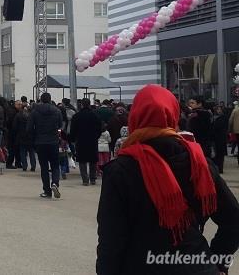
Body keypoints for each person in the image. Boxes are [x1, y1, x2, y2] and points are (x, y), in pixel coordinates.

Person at [96, 84, 239, 275]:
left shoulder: (121, 170)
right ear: (174, 116)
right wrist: (217, 260)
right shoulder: (199, 163)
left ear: (135, 117)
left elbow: (111, 239)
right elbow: (233, 219)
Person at [29, 92, 62, 199]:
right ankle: (55, 183)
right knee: (55, 165)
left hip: (40, 142)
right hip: (53, 142)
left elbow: (29, 128)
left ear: (41, 100)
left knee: (44, 168)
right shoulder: (57, 111)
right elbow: (61, 125)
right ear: (50, 99)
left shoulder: (35, 112)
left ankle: (47, 191)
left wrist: (34, 139)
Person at [69, 98, 103, 186]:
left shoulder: (77, 116)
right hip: (92, 140)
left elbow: (73, 130)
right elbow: (100, 128)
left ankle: (85, 179)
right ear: (89, 104)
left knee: (82, 160)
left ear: (81, 105)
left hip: (80, 140)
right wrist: (96, 136)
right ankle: (93, 179)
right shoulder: (95, 115)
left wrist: (73, 139)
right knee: (93, 160)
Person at [188, 95, 213, 161]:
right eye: (190, 103)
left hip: (200, 141)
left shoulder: (197, 114)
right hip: (204, 142)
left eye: (193, 103)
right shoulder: (207, 113)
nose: (190, 105)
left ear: (199, 104)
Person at [13, 99, 35, 171]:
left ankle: (24, 166)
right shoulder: (31, 115)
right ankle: (33, 166)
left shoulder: (18, 115)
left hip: (21, 135)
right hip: (31, 135)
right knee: (31, 151)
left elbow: (15, 126)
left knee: (22, 151)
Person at [212, 105, 229, 174]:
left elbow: (217, 127)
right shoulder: (220, 118)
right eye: (217, 109)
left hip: (220, 138)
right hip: (220, 138)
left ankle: (219, 168)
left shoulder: (222, 118)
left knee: (219, 154)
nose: (218, 111)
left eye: (219, 109)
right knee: (219, 154)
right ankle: (219, 168)